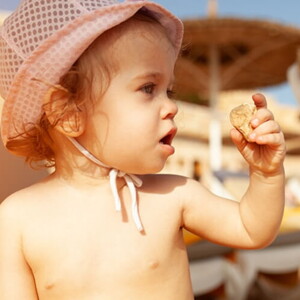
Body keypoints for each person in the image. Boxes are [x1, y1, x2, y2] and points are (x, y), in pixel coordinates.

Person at [0, 0, 286, 299]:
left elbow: (251, 229)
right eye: (148, 88)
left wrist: (266, 175)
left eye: (169, 90)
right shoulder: (19, 219)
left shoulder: (175, 195)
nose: (172, 106)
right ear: (69, 113)